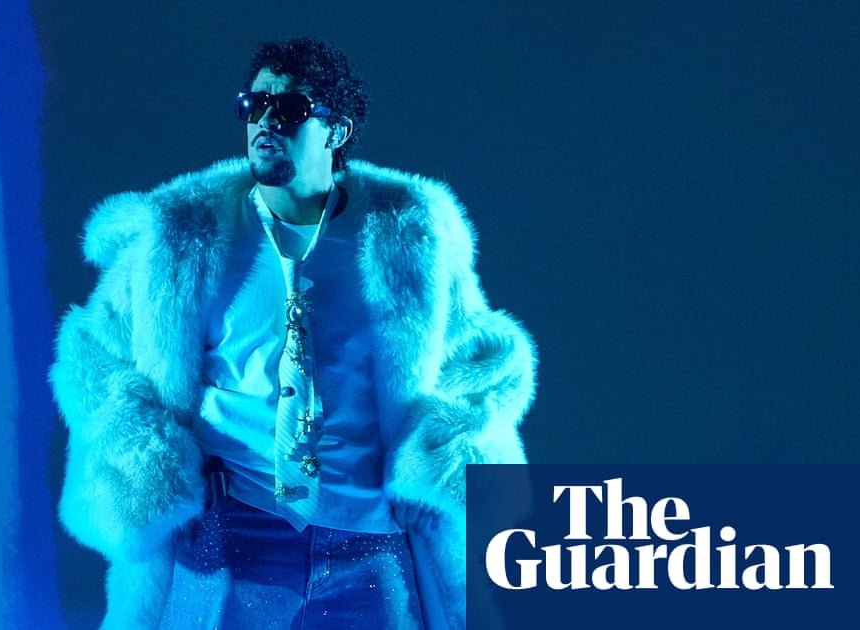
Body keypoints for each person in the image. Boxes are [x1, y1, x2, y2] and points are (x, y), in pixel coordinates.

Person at [51, 37, 536, 629]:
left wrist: (433, 462)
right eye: (253, 105)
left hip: (368, 540)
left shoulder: (408, 239)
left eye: (289, 109)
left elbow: (484, 361)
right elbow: (95, 357)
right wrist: (157, 465)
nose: (265, 122)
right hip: (231, 534)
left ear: (337, 131)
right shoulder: (182, 238)